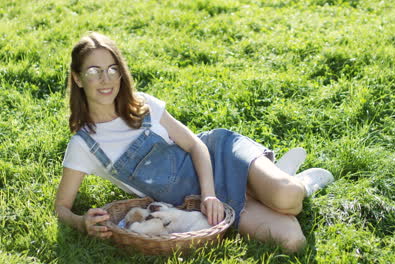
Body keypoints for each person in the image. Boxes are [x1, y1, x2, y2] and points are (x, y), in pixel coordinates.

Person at [54, 32, 335, 253]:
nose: (106, 80)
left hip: (218, 161)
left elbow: (195, 145)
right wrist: (81, 222)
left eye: (112, 69)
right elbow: (61, 207)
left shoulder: (143, 105)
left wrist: (210, 193)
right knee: (292, 242)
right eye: (94, 72)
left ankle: (298, 184)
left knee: (287, 197)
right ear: (78, 79)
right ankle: (275, 183)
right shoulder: (85, 145)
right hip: (195, 204)